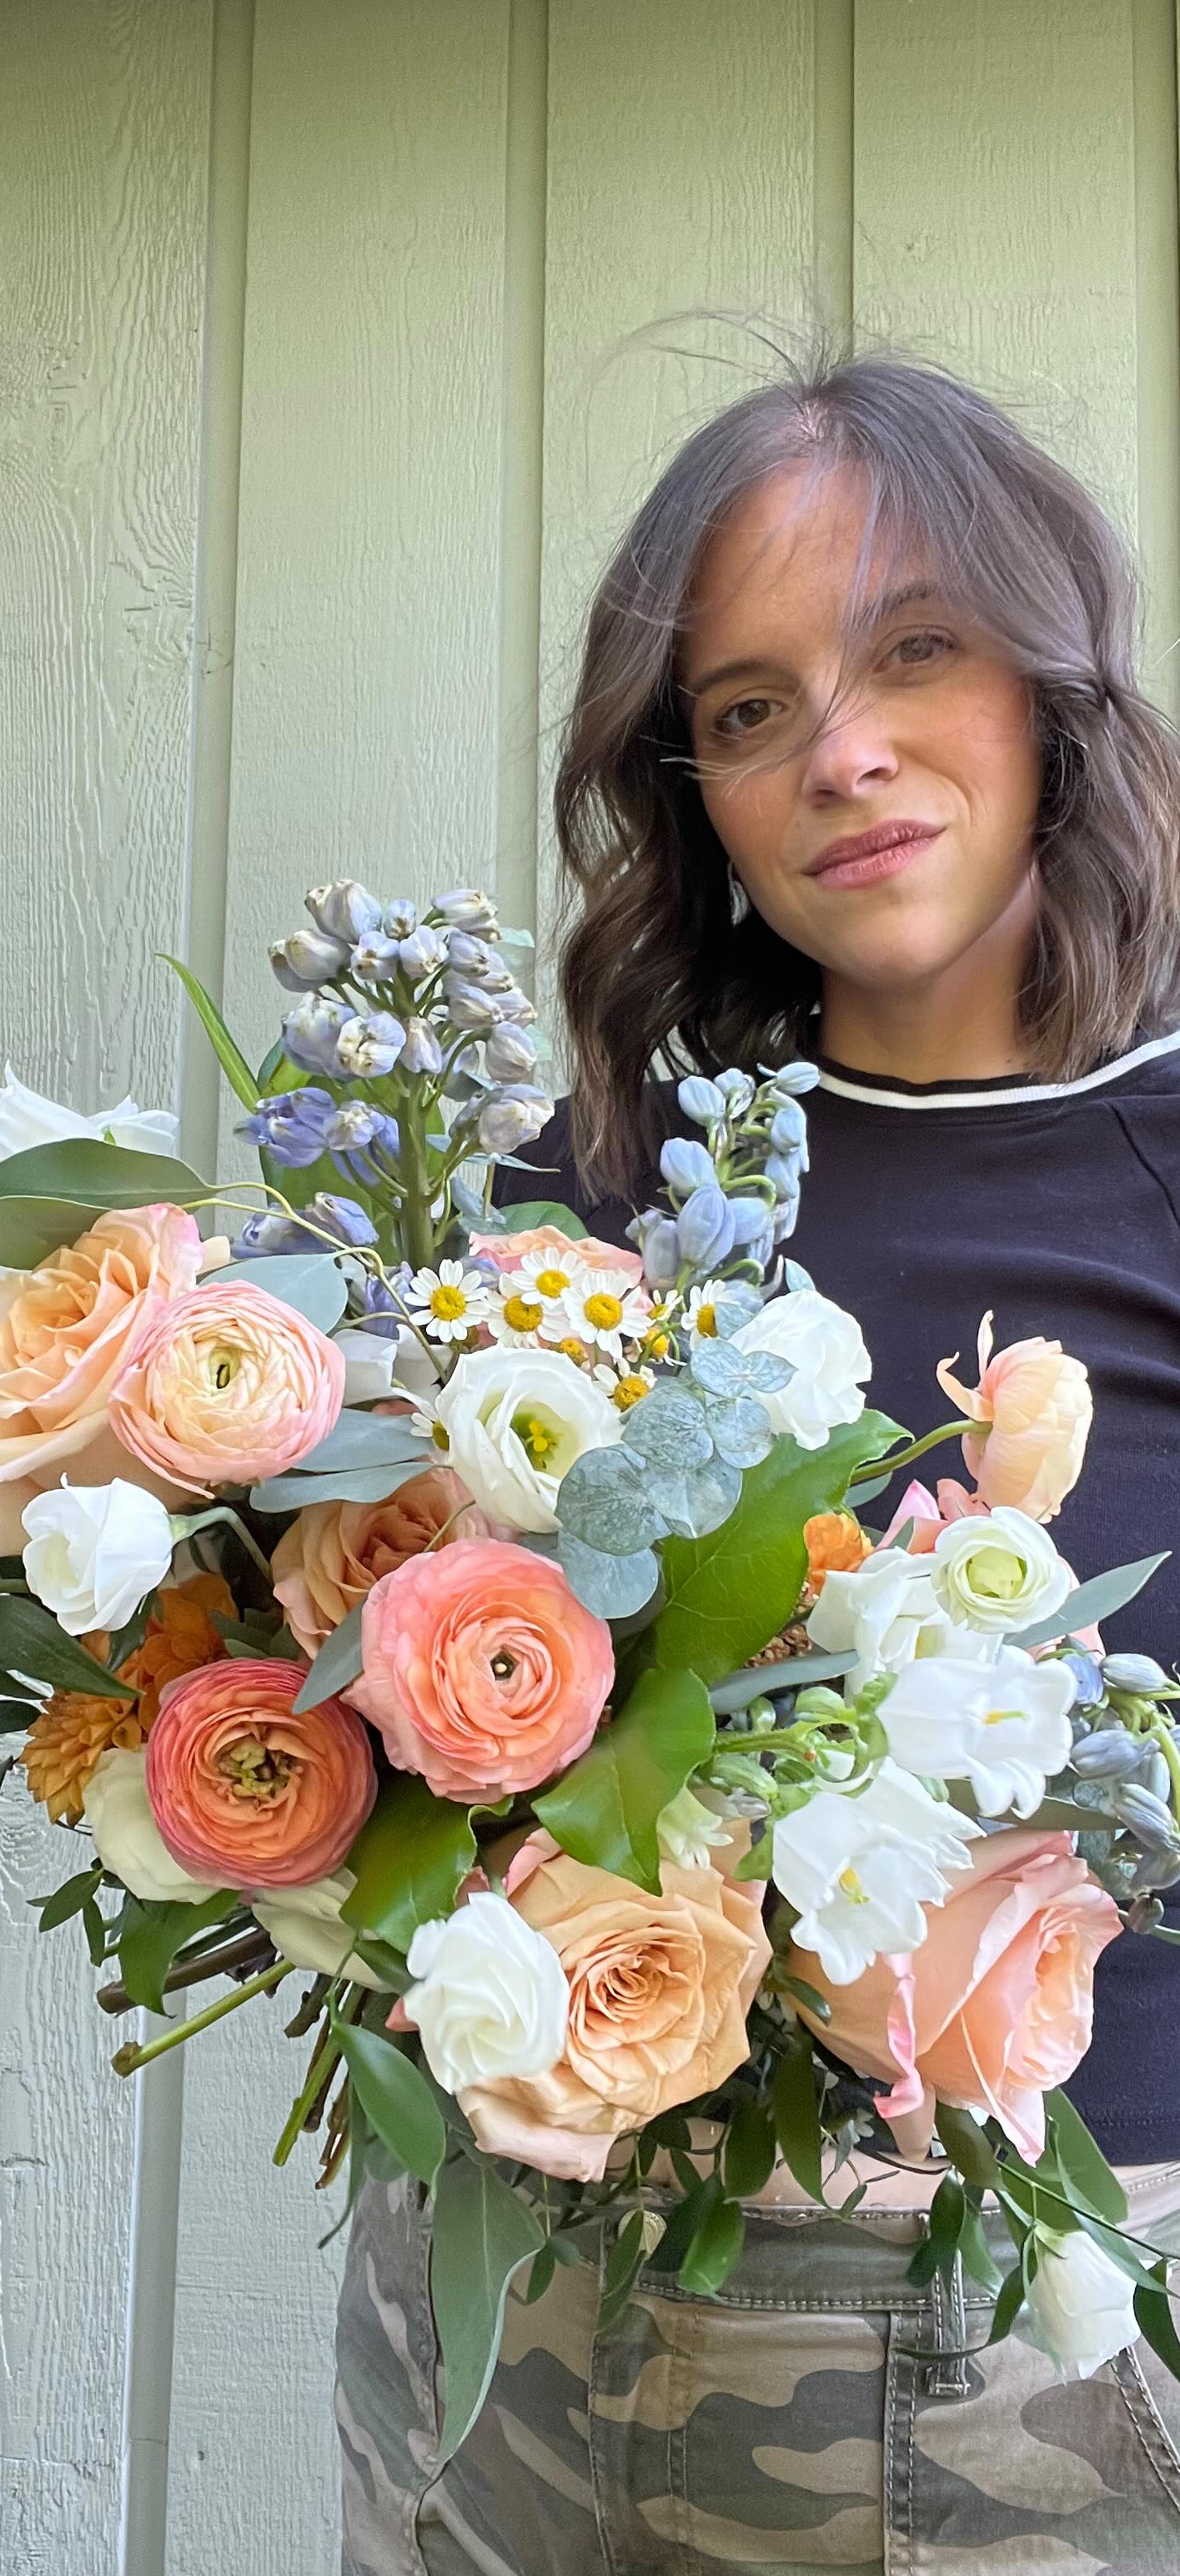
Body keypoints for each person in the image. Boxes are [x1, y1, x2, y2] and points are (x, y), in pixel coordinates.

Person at [336, 350, 1180, 2573]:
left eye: (913, 650)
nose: (841, 754)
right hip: (507, 2317)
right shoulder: (590, 1193)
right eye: (741, 709)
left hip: (1007, 2345)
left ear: (1053, 682)